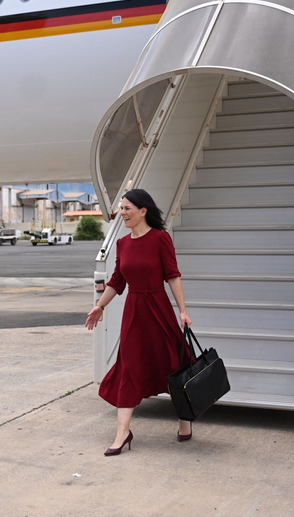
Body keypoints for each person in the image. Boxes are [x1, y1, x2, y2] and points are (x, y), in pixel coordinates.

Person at [85, 189, 192, 456]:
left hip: (159, 308)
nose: (122, 214)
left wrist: (183, 311)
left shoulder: (160, 239)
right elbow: (117, 282)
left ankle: (184, 420)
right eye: (121, 209)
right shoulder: (122, 244)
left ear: (143, 211)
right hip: (134, 312)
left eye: (127, 208)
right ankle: (123, 432)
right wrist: (99, 306)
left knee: (174, 363)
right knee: (130, 367)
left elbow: (173, 276)